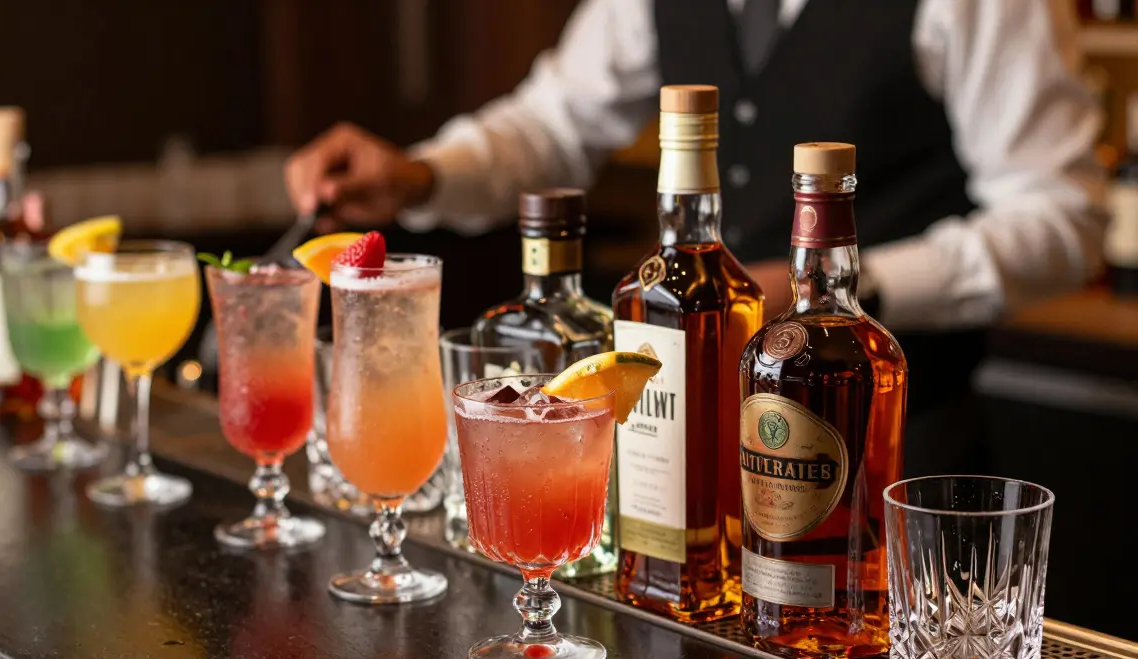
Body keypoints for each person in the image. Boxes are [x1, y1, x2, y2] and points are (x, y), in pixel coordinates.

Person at [285, 0, 1108, 473]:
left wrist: (834, 291)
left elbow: (1063, 221)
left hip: (891, 451)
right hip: (699, 448)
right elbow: (552, 122)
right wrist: (416, 176)